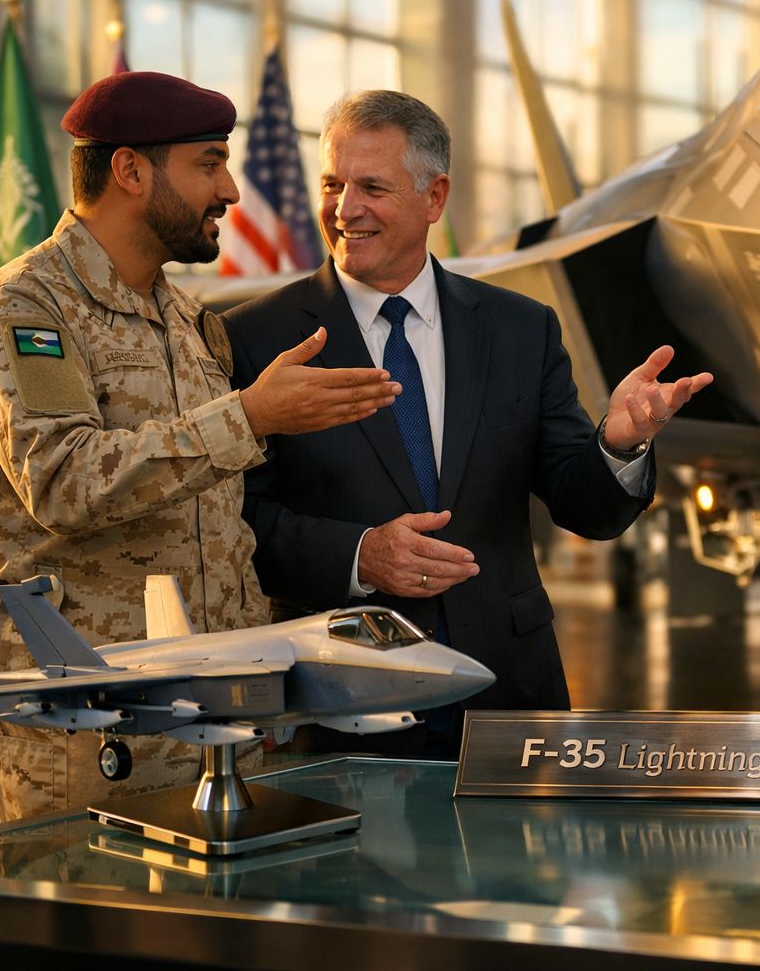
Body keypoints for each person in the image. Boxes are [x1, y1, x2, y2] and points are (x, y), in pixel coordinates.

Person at [0, 71, 399, 821]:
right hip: (92, 728)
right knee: (92, 926)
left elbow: (222, 526)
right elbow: (63, 482)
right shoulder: (25, 311)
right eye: (209, 163)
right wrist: (247, 418)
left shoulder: (187, 321)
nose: (230, 191)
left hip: (218, 726)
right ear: (130, 170)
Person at [225, 90, 711, 756]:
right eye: (333, 185)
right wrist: (361, 555)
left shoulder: (520, 328)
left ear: (435, 197)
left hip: (508, 698)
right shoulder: (255, 339)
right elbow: (236, 525)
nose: (344, 210)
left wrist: (621, 442)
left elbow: (585, 505)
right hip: (340, 708)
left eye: (372, 187)